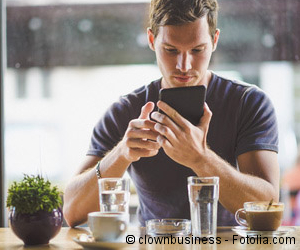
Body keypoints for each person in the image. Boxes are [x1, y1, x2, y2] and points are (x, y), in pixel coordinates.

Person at [63, 0, 280, 227]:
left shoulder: (248, 103)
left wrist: (200, 158)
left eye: (197, 50)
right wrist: (121, 154)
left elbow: (269, 209)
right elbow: (72, 211)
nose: (184, 65)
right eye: (170, 50)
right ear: (151, 40)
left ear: (214, 40)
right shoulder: (126, 111)